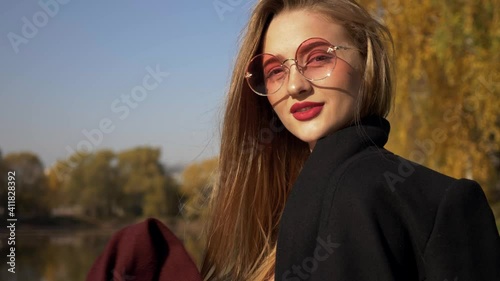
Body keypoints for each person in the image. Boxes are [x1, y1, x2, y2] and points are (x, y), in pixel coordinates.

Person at [201, 0, 500, 280]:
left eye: (318, 58)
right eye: (275, 71)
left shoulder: (424, 201)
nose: (295, 85)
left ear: (366, 60)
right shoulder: (282, 207)